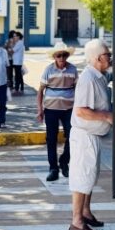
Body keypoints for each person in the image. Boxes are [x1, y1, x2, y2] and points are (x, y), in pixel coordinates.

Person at [68, 39, 113, 230]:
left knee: (90, 177)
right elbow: (81, 111)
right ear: (97, 58)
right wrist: (106, 116)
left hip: (93, 136)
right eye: (107, 55)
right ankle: (76, 221)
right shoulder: (88, 79)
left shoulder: (99, 76)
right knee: (82, 177)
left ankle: (85, 212)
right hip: (84, 136)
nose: (109, 58)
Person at [37, 43, 78, 182]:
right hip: (51, 109)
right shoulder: (48, 70)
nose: (62, 58)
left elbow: (78, 89)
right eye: (59, 55)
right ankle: (53, 168)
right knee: (51, 139)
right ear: (54, 56)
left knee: (73, 136)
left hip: (69, 109)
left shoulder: (73, 69)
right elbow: (40, 90)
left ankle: (64, 161)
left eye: (64, 55)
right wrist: (40, 110)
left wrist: (79, 108)